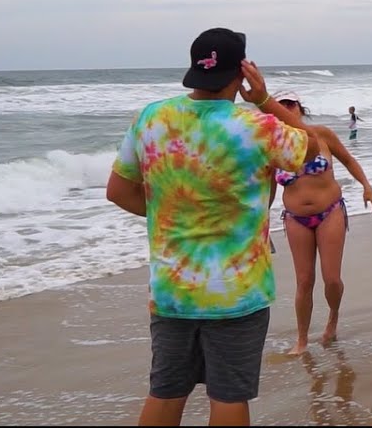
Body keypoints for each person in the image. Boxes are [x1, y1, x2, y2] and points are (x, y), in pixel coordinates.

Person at [106, 28, 318, 427]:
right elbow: (313, 147)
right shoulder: (256, 125)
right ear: (242, 71)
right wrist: (264, 98)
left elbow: (117, 191)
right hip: (238, 290)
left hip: (173, 288)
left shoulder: (151, 118)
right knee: (228, 396)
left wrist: (171, 215)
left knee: (166, 391)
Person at [274, 92, 372, 356]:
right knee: (304, 281)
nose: (286, 108)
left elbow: (348, 160)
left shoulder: (321, 135)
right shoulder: (273, 143)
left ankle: (333, 316)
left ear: (300, 108)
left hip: (329, 211)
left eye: (290, 104)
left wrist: (367, 187)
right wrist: (260, 219)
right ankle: (301, 340)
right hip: (295, 217)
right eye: (280, 104)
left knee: (331, 279)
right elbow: (265, 185)